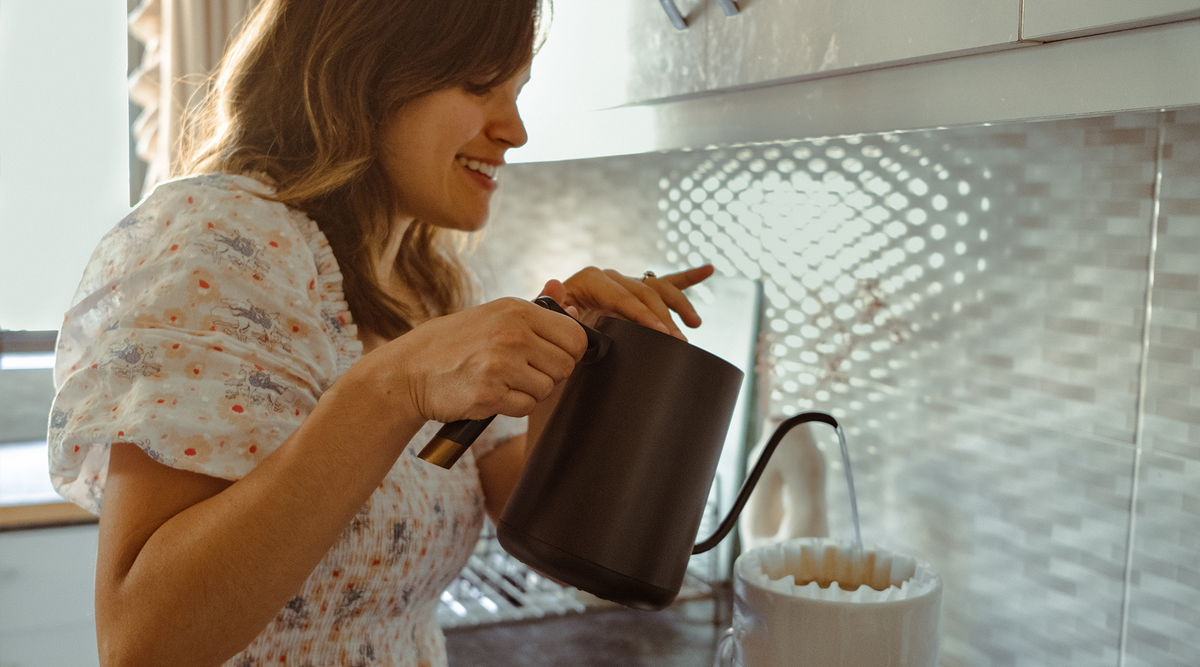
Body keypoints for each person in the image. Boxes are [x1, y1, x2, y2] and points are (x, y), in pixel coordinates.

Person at [46, 1, 714, 665]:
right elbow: (142, 643)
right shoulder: (219, 238)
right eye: (481, 85)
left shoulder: (431, 289)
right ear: (361, 73)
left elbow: (544, 532)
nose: (515, 130)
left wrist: (575, 361)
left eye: (519, 92)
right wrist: (393, 387)